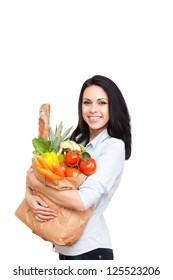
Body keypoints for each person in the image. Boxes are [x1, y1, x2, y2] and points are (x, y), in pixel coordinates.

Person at [25, 74, 132, 260]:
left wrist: (38, 186)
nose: (93, 109)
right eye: (87, 102)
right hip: (64, 245)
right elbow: (37, 173)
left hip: (91, 250)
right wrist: (30, 197)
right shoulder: (76, 142)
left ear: (112, 106)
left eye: (102, 103)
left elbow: (81, 201)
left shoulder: (113, 146)